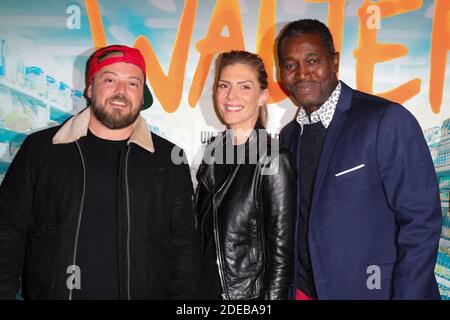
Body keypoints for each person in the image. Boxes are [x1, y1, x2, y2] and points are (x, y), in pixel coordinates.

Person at [0, 45, 200, 300]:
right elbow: (8, 231)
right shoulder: (42, 150)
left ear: (142, 95)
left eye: (132, 84)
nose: (121, 92)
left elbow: (185, 249)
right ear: (90, 88)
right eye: (110, 79)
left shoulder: (170, 159)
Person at [277, 19, 442, 300]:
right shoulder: (289, 136)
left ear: (335, 62)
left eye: (312, 60)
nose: (302, 73)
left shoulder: (385, 120)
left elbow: (421, 221)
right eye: (290, 65)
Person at [195, 50, 297, 300]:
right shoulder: (213, 151)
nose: (232, 96)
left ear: (262, 96)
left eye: (245, 87)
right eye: (224, 85)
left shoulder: (273, 158)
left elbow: (281, 258)